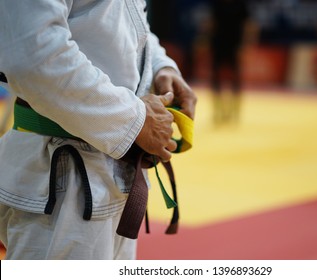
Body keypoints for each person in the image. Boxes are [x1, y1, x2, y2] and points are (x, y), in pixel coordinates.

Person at [0, 0, 196, 260]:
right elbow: (33, 55)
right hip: (63, 180)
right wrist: (137, 119)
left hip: (112, 174)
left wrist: (161, 66)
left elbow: (129, 21)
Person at [208, 0, 250, 125]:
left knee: (236, 81)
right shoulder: (217, 4)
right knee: (216, 81)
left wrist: (246, 45)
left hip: (235, 46)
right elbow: (211, 23)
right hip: (218, 45)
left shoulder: (241, 4)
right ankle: (218, 112)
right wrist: (204, 39)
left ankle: (234, 112)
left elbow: (248, 25)